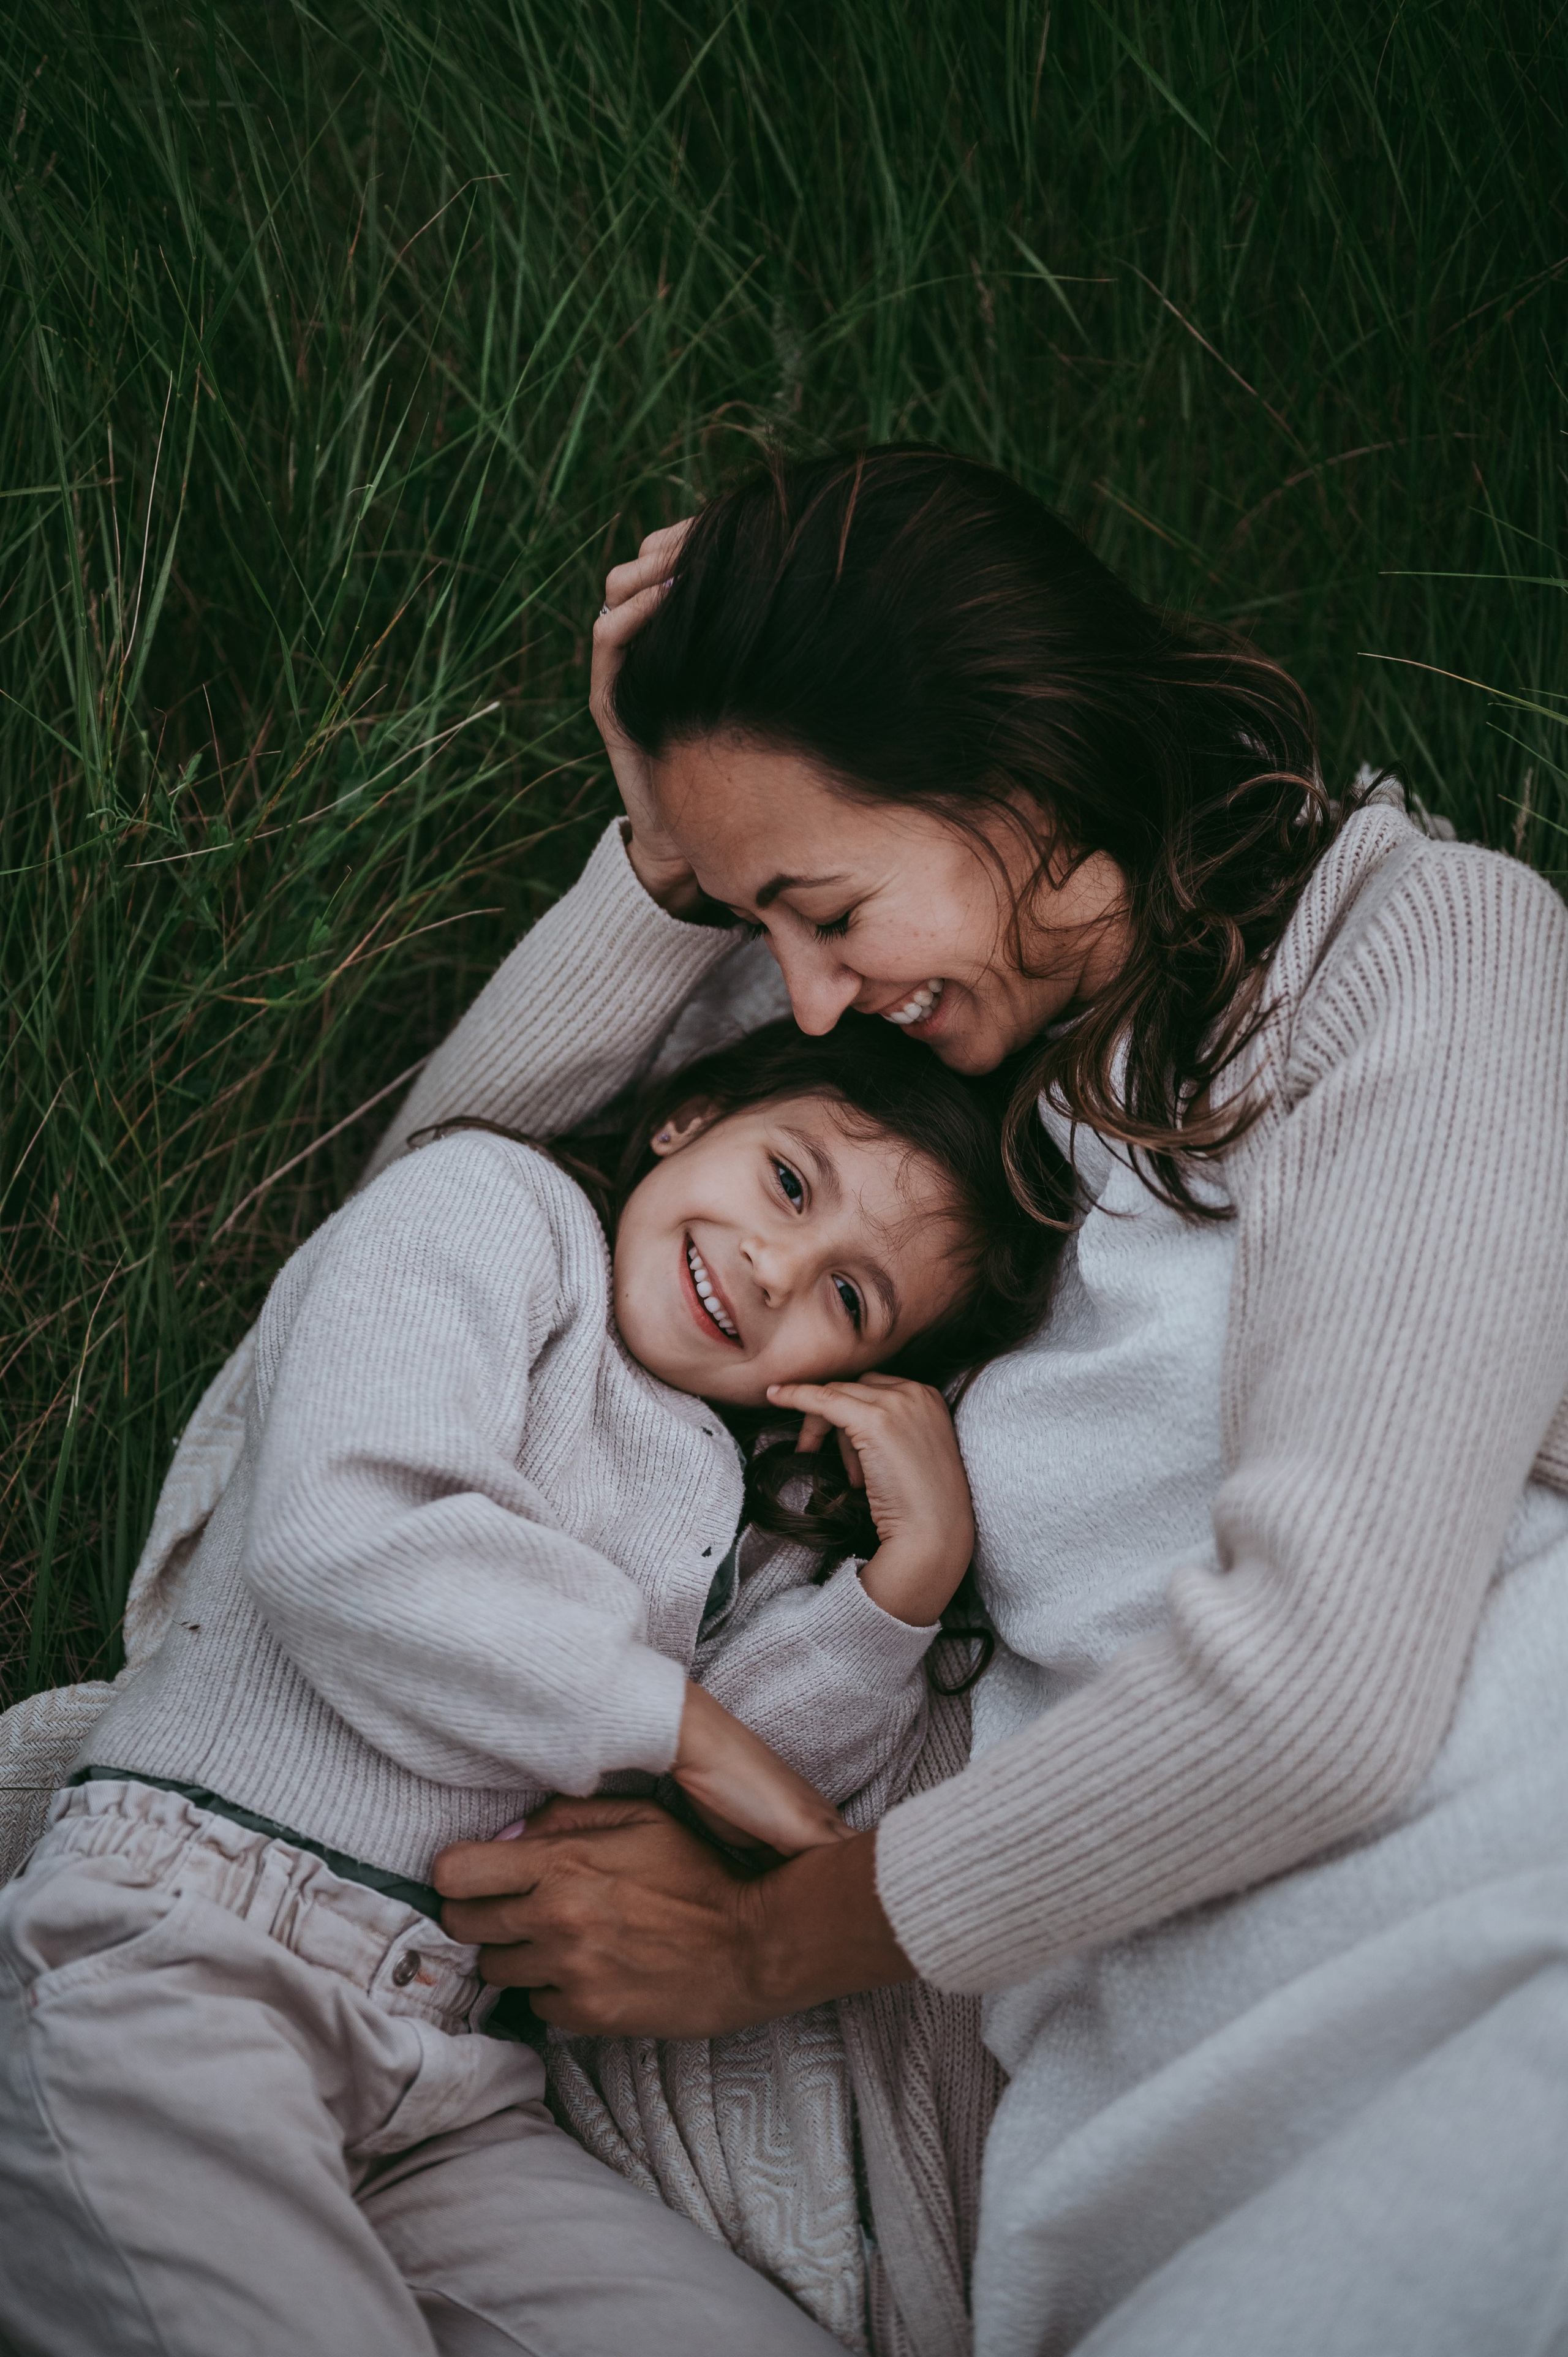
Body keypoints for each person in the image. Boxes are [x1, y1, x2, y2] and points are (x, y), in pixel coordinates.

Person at [403, 448, 1568, 2357]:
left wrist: (764, 1943)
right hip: (1119, 2077)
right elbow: (429, 1266)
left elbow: (1324, 1693)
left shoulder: (1412, 955)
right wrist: (662, 877)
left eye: (819, 906)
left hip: (1474, 1933)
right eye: (755, 926)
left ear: (1013, 788)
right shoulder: (914, 1068)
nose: (805, 992)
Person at [0, 1000, 1057, 2357]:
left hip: (444, 2079)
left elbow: (731, 1804)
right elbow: (348, 1536)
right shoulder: (496, 1211)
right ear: (688, 1118)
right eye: (789, 1182)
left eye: (851, 1299)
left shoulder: (750, 1505)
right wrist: (686, 1730)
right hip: (183, 1952)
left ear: (856, 1379)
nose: (776, 1267)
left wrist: (897, 1590)